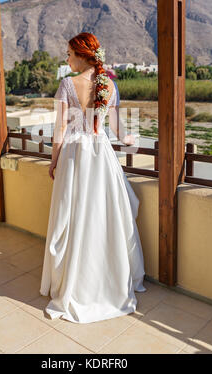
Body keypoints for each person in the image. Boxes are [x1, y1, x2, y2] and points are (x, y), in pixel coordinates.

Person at [39, 32, 146, 324]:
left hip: (76, 157)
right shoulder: (108, 85)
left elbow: (60, 129)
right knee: (104, 216)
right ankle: (108, 281)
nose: (67, 58)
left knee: (73, 218)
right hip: (101, 156)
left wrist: (54, 161)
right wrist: (130, 138)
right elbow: (118, 129)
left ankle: (76, 282)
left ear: (83, 55)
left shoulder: (66, 85)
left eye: (69, 53)